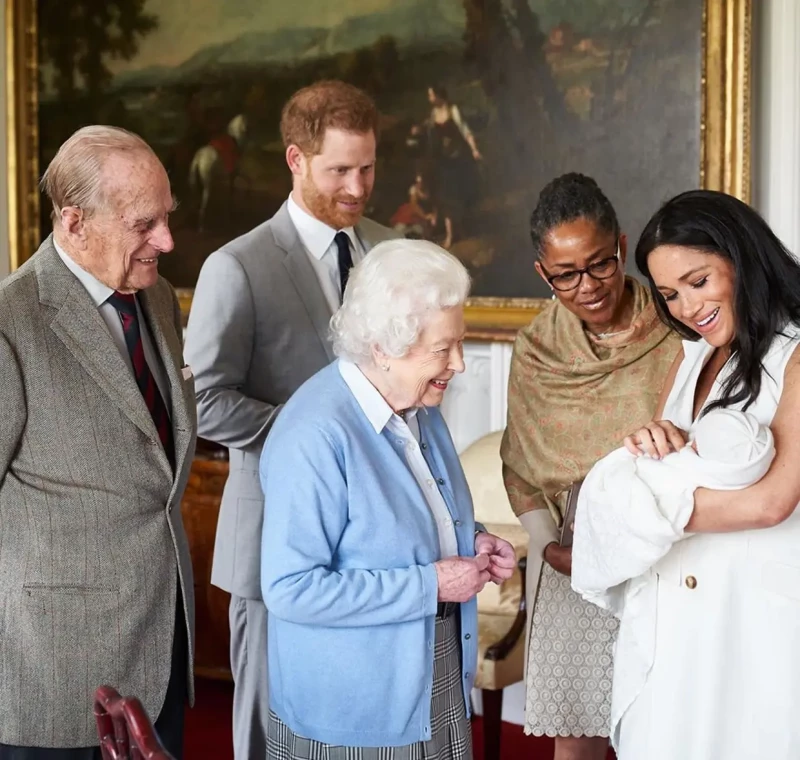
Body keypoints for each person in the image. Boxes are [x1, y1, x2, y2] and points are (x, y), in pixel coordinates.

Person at [183, 80, 397, 760]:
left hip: (376, 547)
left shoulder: (391, 252)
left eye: (367, 167)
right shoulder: (236, 267)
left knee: (353, 730)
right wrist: (321, 442)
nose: (358, 187)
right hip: (274, 538)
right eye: (340, 170)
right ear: (295, 160)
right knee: (266, 733)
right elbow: (205, 401)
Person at [260, 239, 516, 758]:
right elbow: (291, 588)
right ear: (383, 347)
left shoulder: (418, 404)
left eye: (459, 343)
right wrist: (432, 583)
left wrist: (475, 540)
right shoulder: (314, 434)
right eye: (443, 349)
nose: (460, 364)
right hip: (355, 711)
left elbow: (409, 520)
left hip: (434, 673)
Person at [0, 125, 196, 759]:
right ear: (74, 221)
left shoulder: (158, 297)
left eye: (167, 217)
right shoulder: (11, 322)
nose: (165, 241)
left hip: (161, 645)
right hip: (53, 670)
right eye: (144, 224)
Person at [612, 190, 800, 760]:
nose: (687, 308)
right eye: (669, 294)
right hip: (681, 610)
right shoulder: (695, 355)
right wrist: (655, 443)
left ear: (741, 258)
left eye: (698, 282)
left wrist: (634, 508)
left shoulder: (795, 353)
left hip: (756, 616)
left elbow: (773, 501)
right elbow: (674, 461)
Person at [499, 173, 680, 760]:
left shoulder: (677, 327)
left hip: (668, 545)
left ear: (622, 247)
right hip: (573, 554)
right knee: (580, 738)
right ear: (542, 274)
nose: (588, 286)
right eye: (566, 275)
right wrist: (547, 543)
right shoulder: (536, 352)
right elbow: (523, 467)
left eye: (600, 264)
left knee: (664, 726)